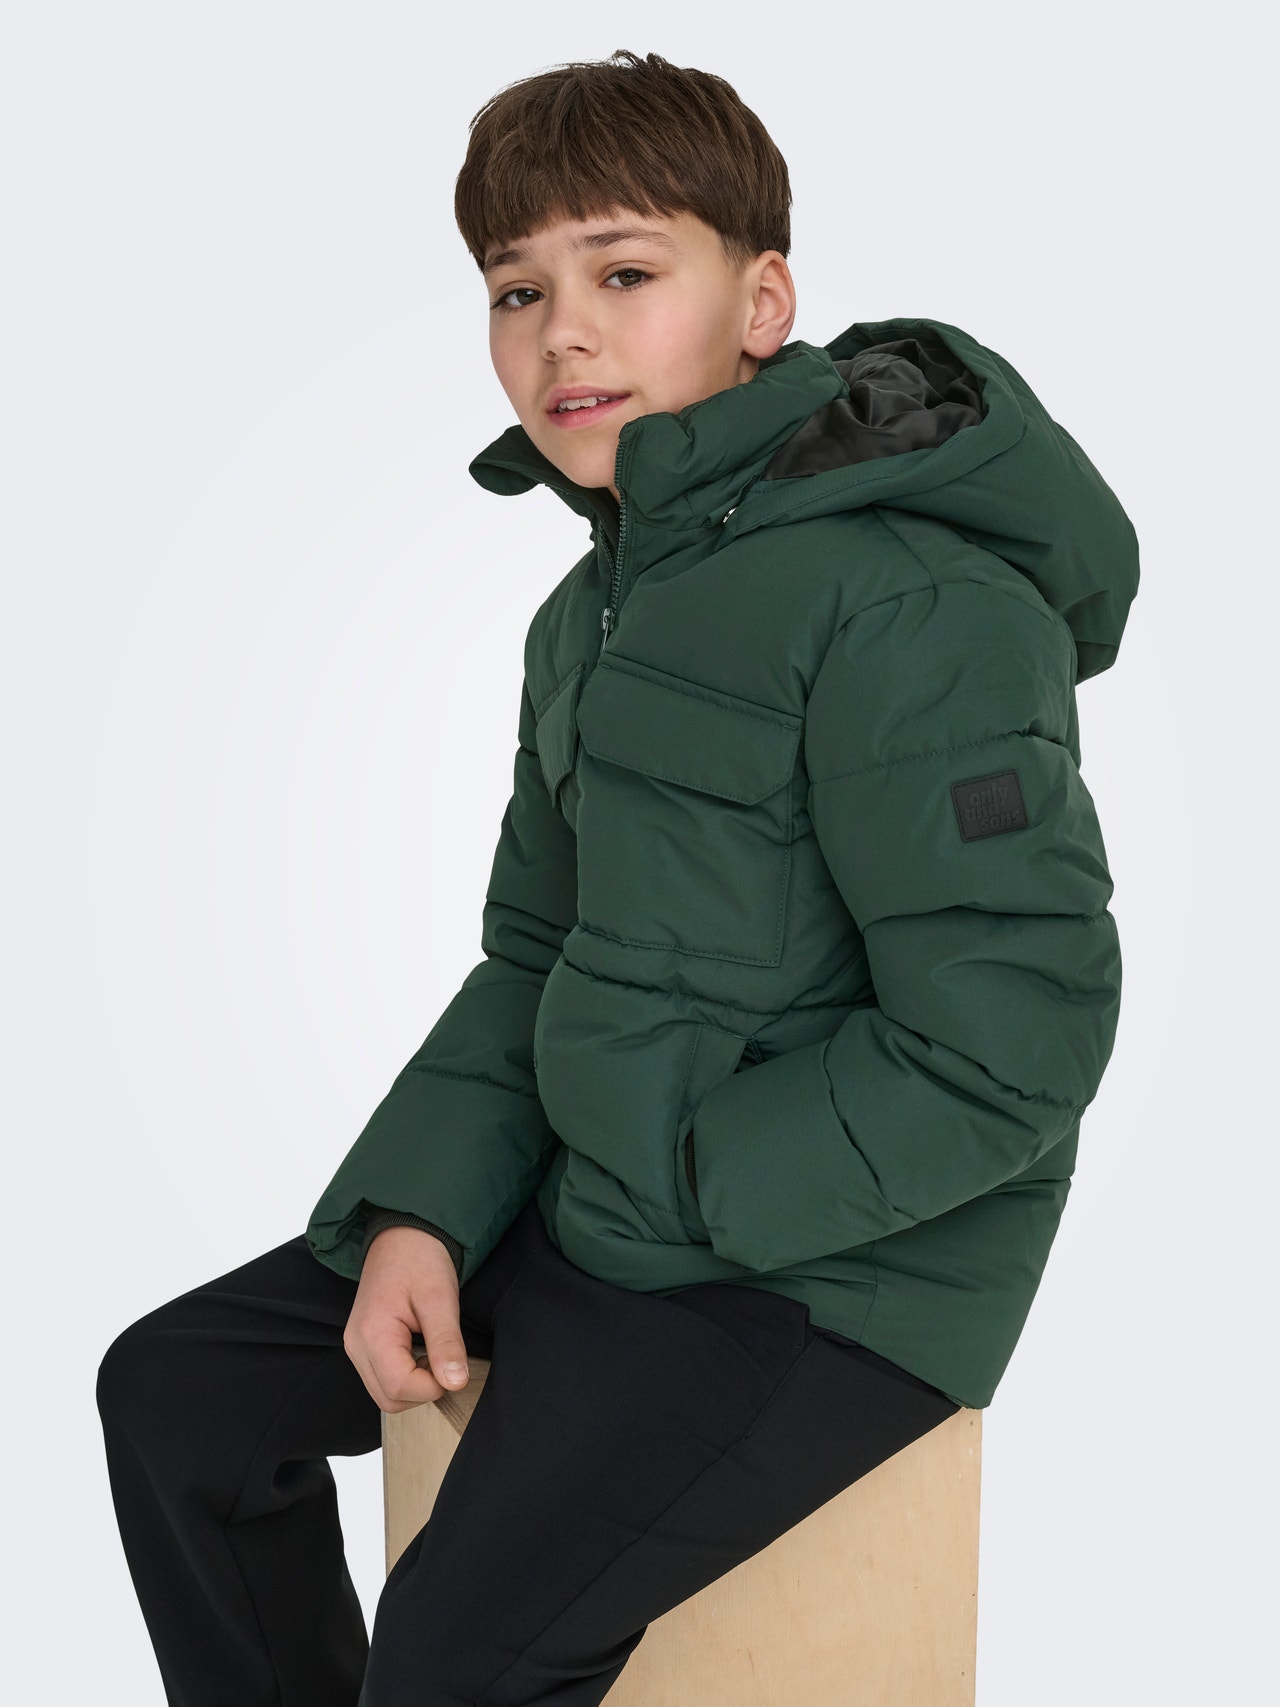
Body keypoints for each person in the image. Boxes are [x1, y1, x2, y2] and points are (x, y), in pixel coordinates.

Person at [96, 47, 1140, 1707]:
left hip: (829, 1278)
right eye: (518, 290)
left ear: (763, 301)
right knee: (181, 1399)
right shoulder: (590, 614)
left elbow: (1012, 1039)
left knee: (455, 1657)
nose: (561, 333)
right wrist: (424, 1209)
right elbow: (537, 952)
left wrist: (687, 1191)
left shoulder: (915, 604)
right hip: (615, 1204)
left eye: (625, 274)